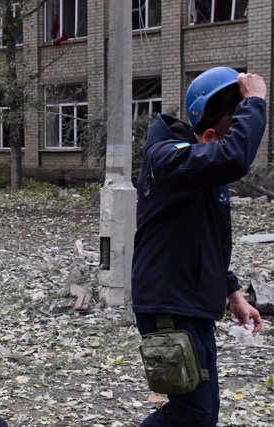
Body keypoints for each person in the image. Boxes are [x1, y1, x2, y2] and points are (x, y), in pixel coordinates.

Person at [132, 66, 266, 426]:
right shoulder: (168, 159)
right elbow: (233, 157)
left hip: (191, 304)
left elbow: (206, 239)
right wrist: (254, 103)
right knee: (192, 415)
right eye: (226, 135)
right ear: (207, 136)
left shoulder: (196, 173)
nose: (227, 146)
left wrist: (232, 292)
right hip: (169, 304)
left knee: (202, 412)